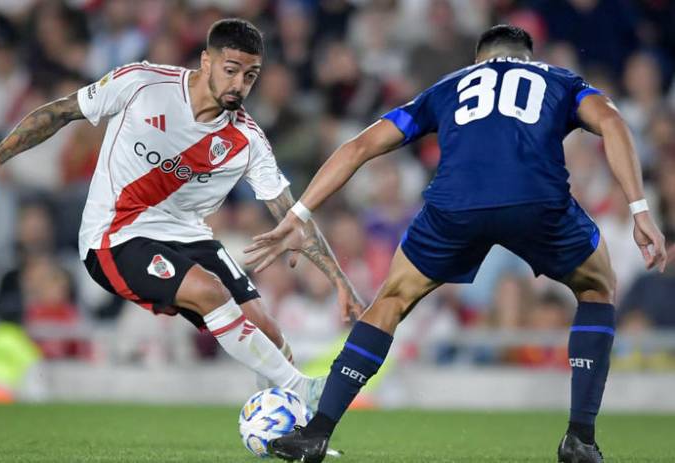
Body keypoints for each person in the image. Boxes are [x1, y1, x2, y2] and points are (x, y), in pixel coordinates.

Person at [245, 25, 668, 462]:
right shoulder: (561, 80)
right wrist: (639, 209)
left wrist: (298, 215)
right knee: (598, 287)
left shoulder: (448, 87)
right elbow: (614, 122)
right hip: (537, 202)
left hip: (456, 207)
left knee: (389, 301)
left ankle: (315, 433)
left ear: (478, 59)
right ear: (528, 57)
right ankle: (580, 438)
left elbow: (359, 146)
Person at [0, 18, 364, 408]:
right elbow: (61, 111)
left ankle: (287, 426)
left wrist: (338, 279)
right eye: (231, 70)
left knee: (270, 335)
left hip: (187, 235)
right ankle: (303, 390)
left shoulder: (246, 140)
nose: (239, 84)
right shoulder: (142, 83)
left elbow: (292, 214)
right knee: (209, 291)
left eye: (250, 76)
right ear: (206, 61)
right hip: (113, 237)